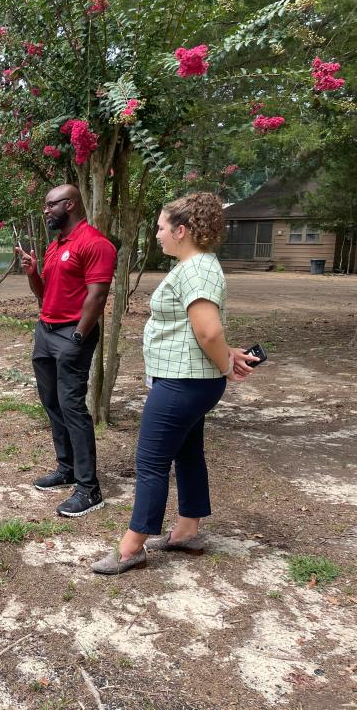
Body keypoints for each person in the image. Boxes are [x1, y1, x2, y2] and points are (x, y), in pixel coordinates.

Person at [91, 193, 258, 575]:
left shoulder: (196, 270)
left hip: (183, 383)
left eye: (162, 227)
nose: (157, 234)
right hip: (188, 380)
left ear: (181, 231)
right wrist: (225, 355)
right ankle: (187, 531)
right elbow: (199, 329)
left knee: (150, 461)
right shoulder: (197, 266)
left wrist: (225, 365)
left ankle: (132, 548)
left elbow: (208, 330)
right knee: (187, 452)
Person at [16, 184, 116, 518]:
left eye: (50, 205)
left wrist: (77, 337)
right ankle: (67, 468)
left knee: (72, 406)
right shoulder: (54, 246)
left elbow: (97, 297)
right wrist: (32, 272)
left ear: (69, 204)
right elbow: (43, 295)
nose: (45, 211)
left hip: (72, 335)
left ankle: (89, 488)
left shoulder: (95, 244)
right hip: (45, 331)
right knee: (52, 403)